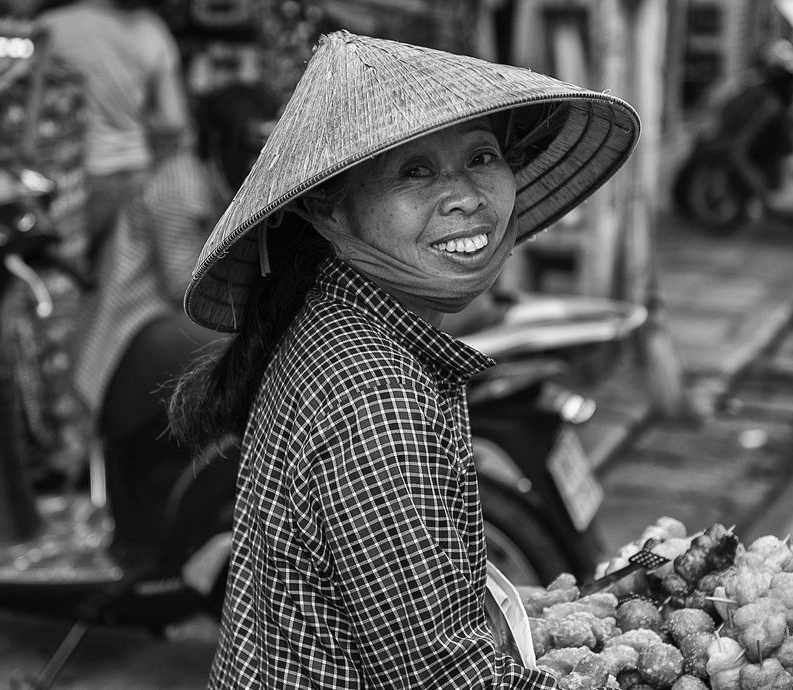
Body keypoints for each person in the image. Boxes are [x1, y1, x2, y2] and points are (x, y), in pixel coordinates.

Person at [170, 31, 639, 688]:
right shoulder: (377, 393)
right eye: (416, 171)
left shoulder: (334, 324)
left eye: (482, 156)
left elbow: (412, 616)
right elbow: (441, 677)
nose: (466, 196)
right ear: (329, 208)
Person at [69, 82, 279, 557]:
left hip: (163, 326)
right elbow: (187, 287)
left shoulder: (221, 178)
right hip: (133, 329)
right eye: (250, 146)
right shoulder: (181, 188)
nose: (260, 158)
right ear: (219, 142)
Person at [37, 0, 192, 267]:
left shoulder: (54, 27)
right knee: (124, 278)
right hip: (140, 172)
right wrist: (134, 117)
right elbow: (173, 119)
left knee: (77, 275)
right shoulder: (151, 30)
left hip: (75, 179)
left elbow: (35, 109)